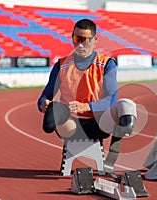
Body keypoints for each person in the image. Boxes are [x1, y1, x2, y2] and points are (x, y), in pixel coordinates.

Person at [37, 19, 137, 174]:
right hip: (71, 125)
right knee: (55, 110)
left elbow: (111, 101)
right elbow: (44, 95)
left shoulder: (107, 63)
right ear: (72, 38)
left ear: (95, 40)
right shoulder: (61, 65)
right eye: (77, 39)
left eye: (86, 40)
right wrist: (43, 103)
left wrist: (87, 106)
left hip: (99, 123)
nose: (81, 44)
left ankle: (119, 143)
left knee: (126, 105)